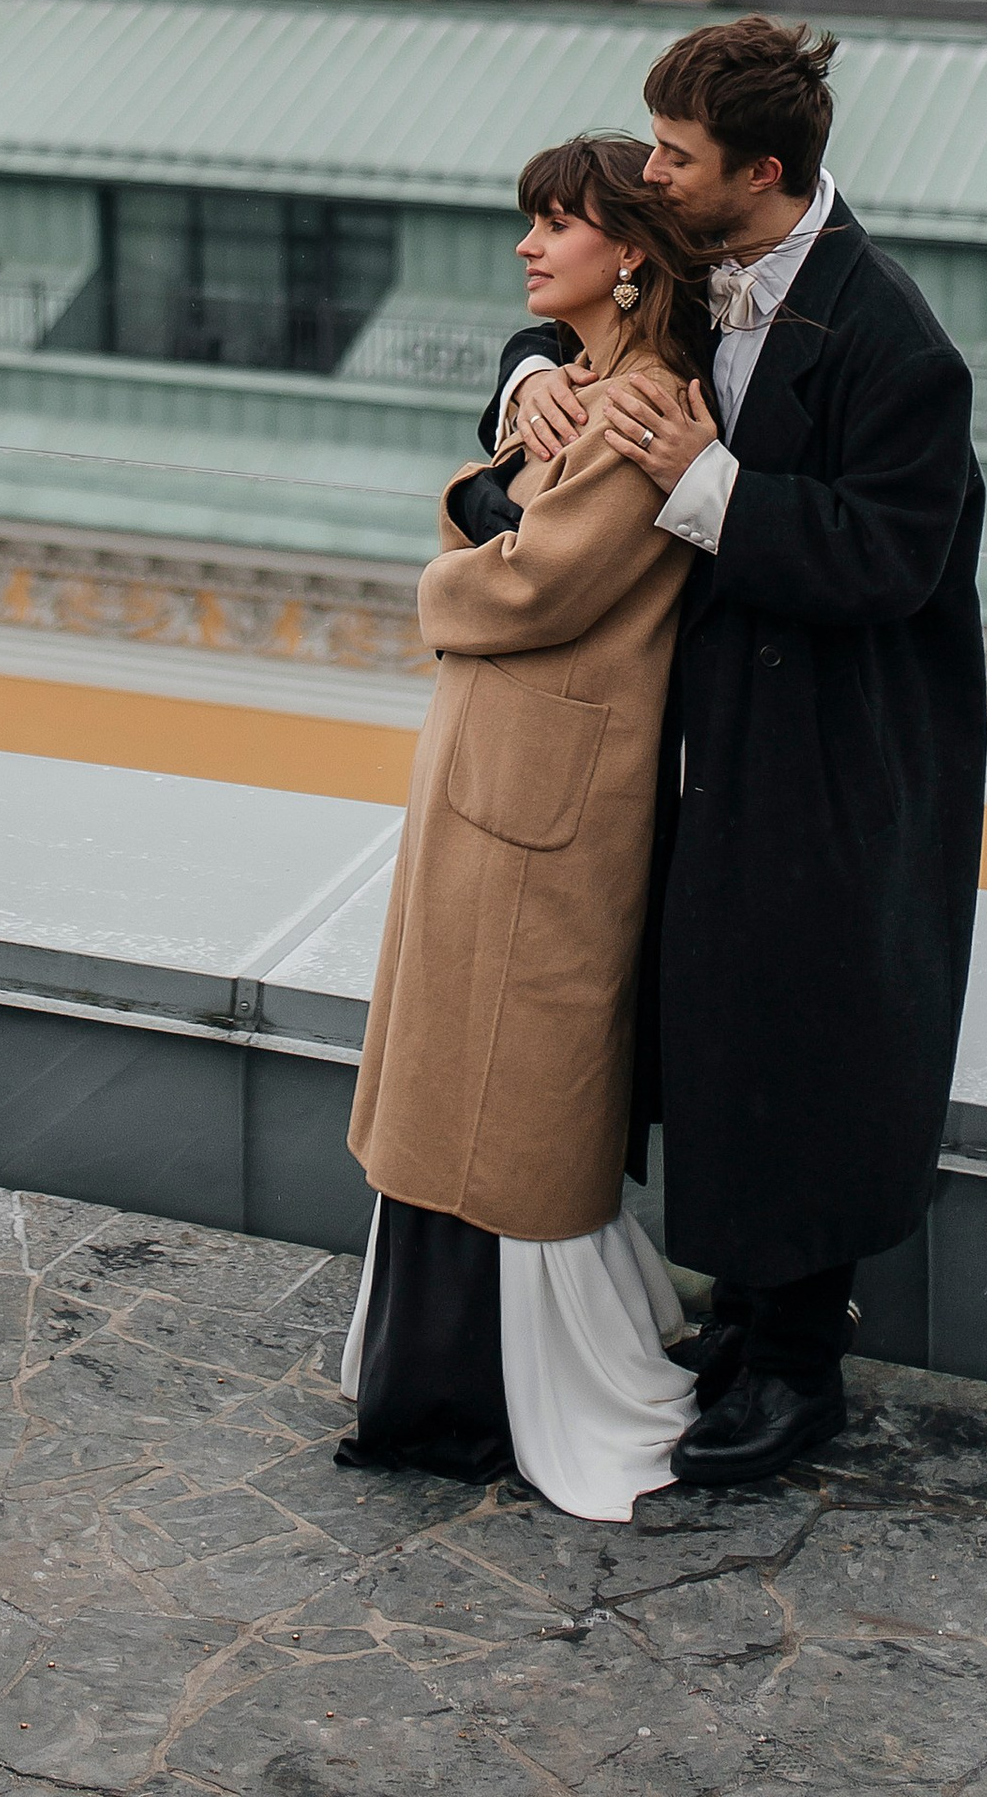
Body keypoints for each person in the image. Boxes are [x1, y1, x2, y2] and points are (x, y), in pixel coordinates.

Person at [485, 16, 986, 1491]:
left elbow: (889, 559)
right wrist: (529, 378)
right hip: (720, 740)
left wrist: (703, 481)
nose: (650, 175)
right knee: (721, 1025)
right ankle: (751, 1321)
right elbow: (573, 307)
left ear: (760, 174)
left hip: (839, 760)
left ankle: (799, 1368)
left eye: (676, 156)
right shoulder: (703, 262)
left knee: (808, 1038)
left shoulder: (899, 342)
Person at [339, 135, 714, 1518]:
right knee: (476, 1080)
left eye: (557, 224)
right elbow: (502, 505)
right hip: (512, 782)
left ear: (631, 255)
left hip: (543, 799)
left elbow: (528, 588)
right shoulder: (584, 383)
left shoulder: (640, 406)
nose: (529, 245)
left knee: (508, 1097)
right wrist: (492, 470)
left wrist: (446, 567)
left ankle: (486, 1387)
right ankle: (469, 1371)